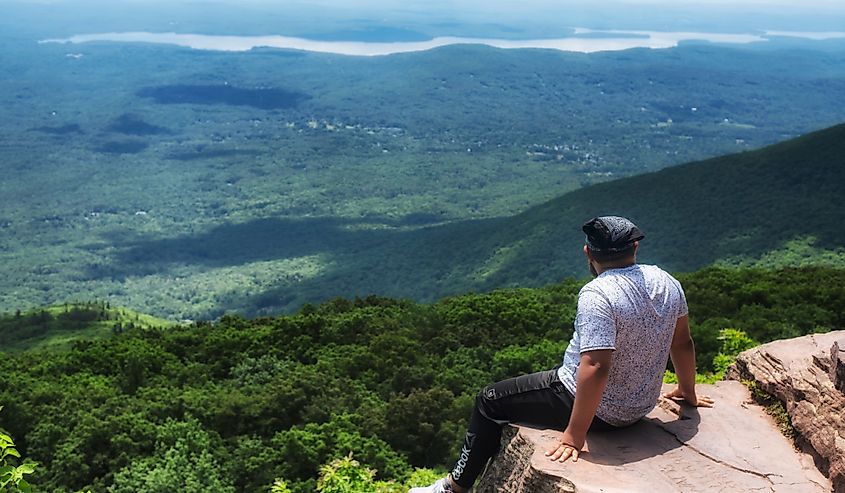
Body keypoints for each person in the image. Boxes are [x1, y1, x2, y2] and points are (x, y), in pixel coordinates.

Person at [408, 216, 714, 493]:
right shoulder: (666, 282)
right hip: (640, 405)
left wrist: (574, 436)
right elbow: (682, 342)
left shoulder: (598, 293)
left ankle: (454, 488)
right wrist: (687, 391)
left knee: (488, 399)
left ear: (588, 252)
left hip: (597, 411)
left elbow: (595, 366)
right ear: (634, 246)